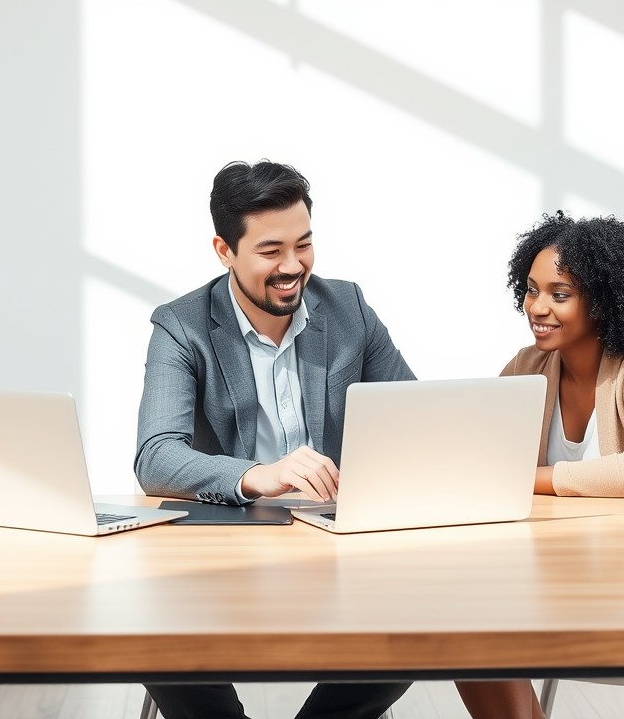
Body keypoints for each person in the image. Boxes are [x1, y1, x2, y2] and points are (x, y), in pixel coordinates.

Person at [134, 159, 415, 719]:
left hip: (334, 536)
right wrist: (255, 475)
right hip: (224, 541)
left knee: (420, 621)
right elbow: (155, 456)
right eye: (270, 251)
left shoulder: (349, 308)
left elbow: (414, 420)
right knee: (157, 633)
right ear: (224, 250)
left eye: (304, 245)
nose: (293, 266)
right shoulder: (181, 325)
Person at [455, 211, 624, 719]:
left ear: (604, 301)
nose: (536, 307)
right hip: (551, 571)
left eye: (559, 294)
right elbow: (478, 458)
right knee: (456, 611)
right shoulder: (528, 366)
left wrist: (520, 479)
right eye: (532, 290)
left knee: (472, 614)